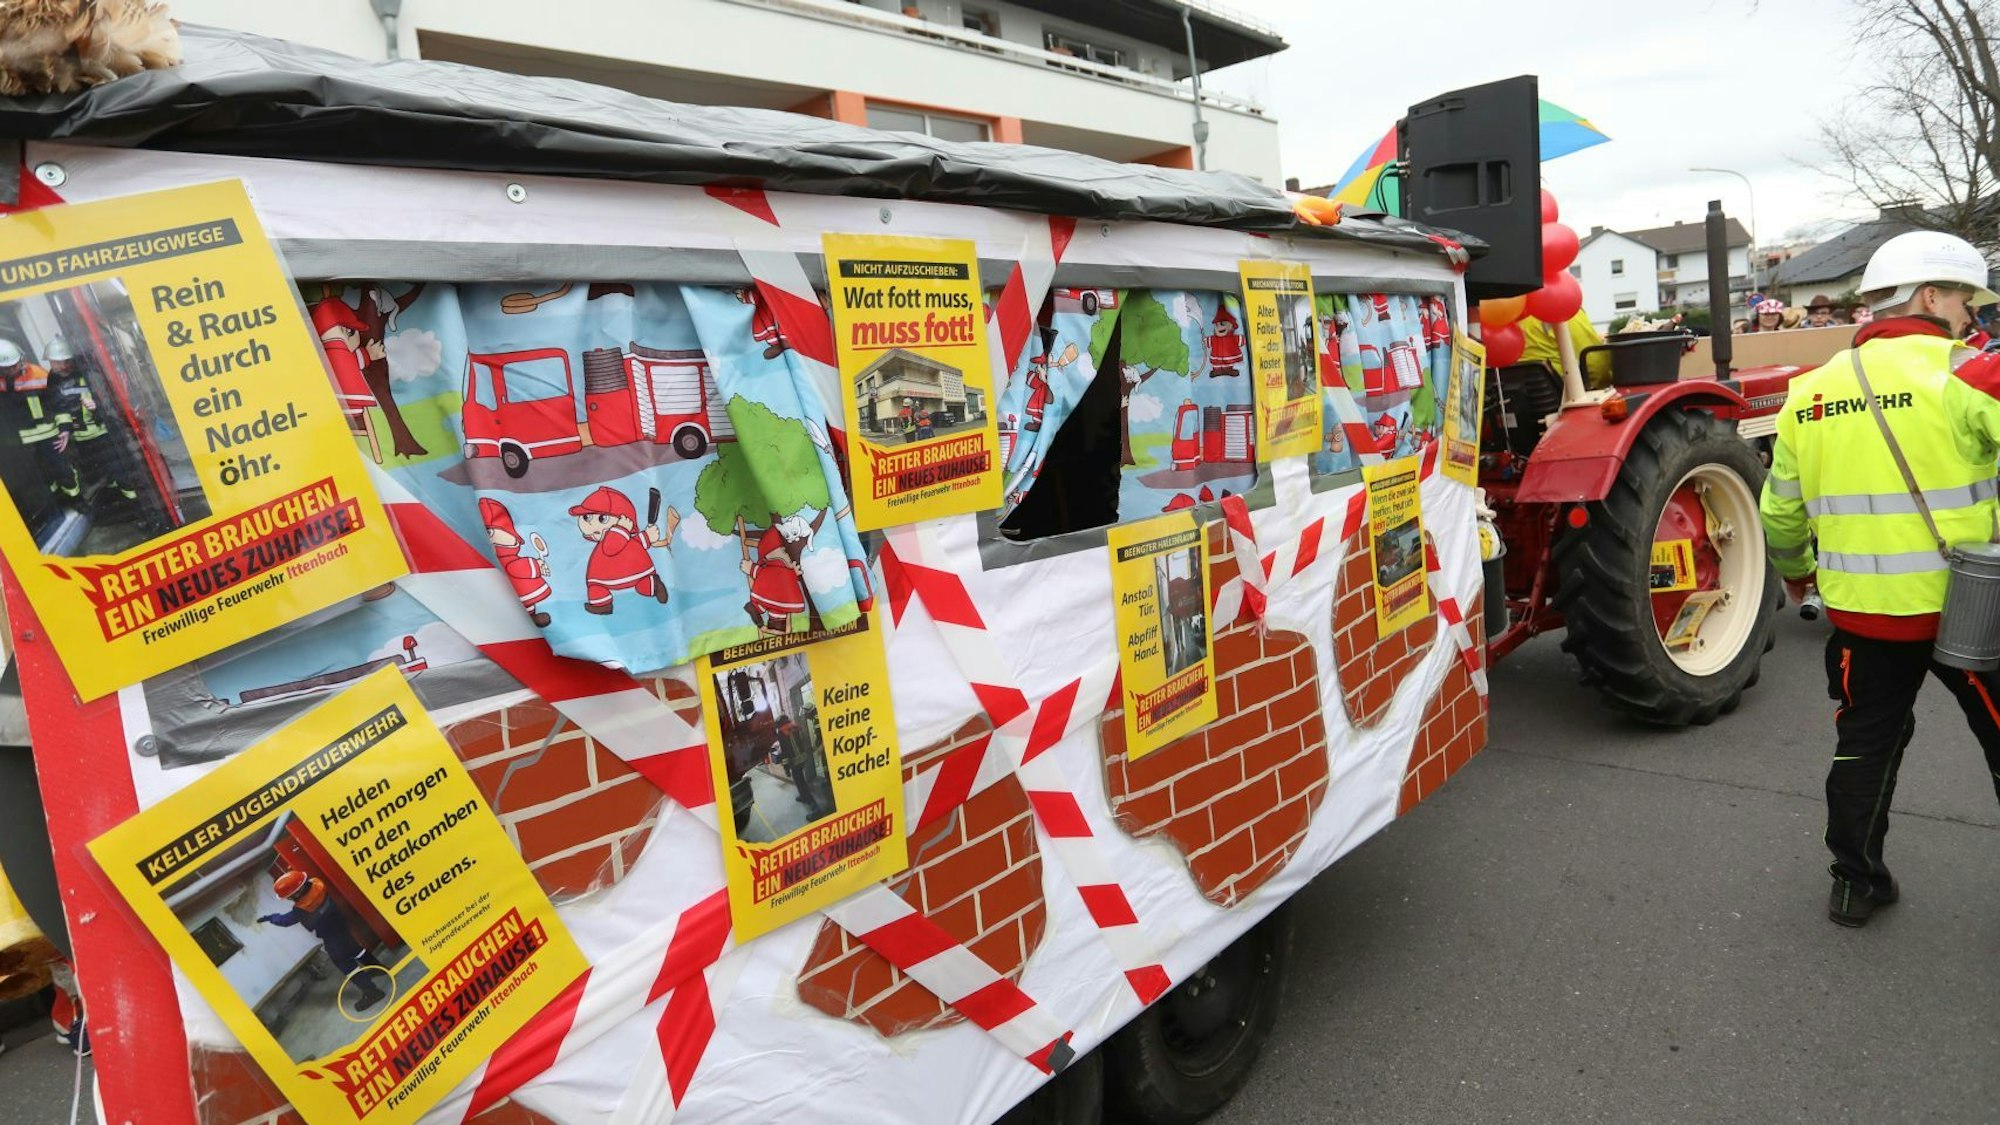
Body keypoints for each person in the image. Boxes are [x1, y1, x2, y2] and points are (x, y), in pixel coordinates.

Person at [1758, 230, 2000, 928]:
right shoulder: (1967, 373)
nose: (1967, 314)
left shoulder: (1808, 395)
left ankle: (1854, 880)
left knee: (1864, 745)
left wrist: (1798, 575)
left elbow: (1779, 510)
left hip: (1864, 617)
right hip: (1970, 611)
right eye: (1962, 298)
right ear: (1930, 295)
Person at [258, 870, 389, 1009]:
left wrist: (271, 917)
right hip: (341, 926)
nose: (289, 899)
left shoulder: (301, 909)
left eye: (289, 897)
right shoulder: (318, 884)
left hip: (331, 937)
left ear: (296, 893)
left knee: (345, 964)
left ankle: (372, 992)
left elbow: (285, 921)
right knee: (356, 949)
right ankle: (379, 968)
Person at [0, 339, 78, 505]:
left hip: (49, 438)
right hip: (18, 444)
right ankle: (57, 504)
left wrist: (65, 428)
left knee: (63, 470)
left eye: (14, 365)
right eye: (6, 368)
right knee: (42, 477)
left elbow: (59, 404)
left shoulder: (39, 374)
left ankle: (76, 501)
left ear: (21, 359)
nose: (12, 370)